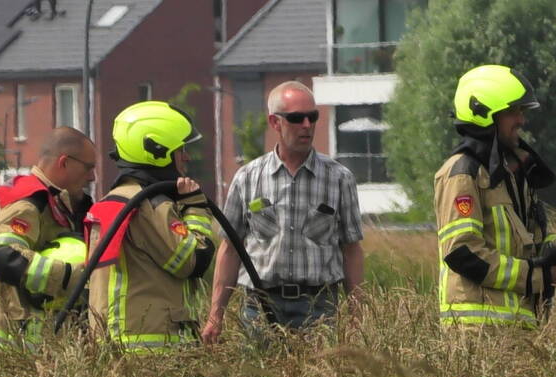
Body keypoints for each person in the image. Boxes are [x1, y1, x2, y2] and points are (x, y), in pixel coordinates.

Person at [434, 64, 556, 328]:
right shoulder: (462, 173)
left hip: (519, 330)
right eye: (513, 111)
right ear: (484, 113)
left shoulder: (511, 174)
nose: (521, 120)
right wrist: (536, 275)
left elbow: (530, 244)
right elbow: (462, 253)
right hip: (476, 335)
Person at [202, 81, 364, 342]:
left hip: (319, 308)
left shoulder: (339, 178)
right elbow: (230, 249)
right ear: (275, 122)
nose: (307, 125)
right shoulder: (247, 178)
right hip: (260, 306)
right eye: (296, 118)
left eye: (312, 117)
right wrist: (215, 316)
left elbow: (351, 250)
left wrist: (358, 314)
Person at [85, 101, 216, 350]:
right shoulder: (151, 206)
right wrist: (195, 207)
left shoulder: (116, 199)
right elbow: (193, 261)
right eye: (180, 150)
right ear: (157, 151)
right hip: (151, 349)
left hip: (117, 342)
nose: (186, 156)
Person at [0, 126, 96, 349]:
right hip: (0, 343)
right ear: (64, 162)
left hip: (21, 344)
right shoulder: (28, 203)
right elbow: (4, 258)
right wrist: (73, 278)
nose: (92, 177)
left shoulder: (55, 202)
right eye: (88, 168)